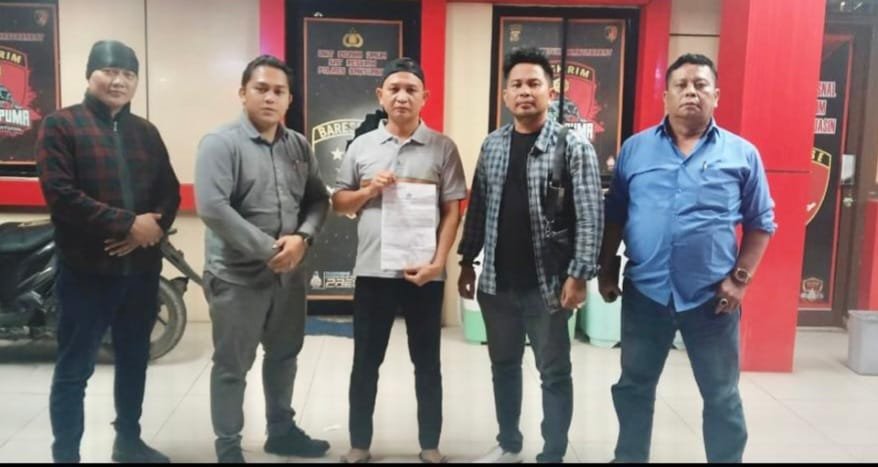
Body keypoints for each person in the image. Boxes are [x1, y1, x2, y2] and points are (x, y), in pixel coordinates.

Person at [598, 53, 776, 463]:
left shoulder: (742, 154)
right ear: (666, 96)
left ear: (717, 95)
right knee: (633, 387)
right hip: (646, 293)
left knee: (721, 394)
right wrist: (607, 269)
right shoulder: (635, 150)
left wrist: (740, 280)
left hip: (712, 298)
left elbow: (761, 223)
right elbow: (616, 215)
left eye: (700, 85)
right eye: (681, 85)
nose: (691, 92)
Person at [36, 39, 180, 463]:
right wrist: (126, 223)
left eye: (128, 74)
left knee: (134, 359)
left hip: (141, 272)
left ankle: (128, 441)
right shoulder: (61, 125)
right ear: (90, 75)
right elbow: (61, 194)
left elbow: (169, 191)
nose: (119, 81)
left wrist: (150, 228)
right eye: (110, 71)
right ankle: (66, 454)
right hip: (86, 272)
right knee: (74, 369)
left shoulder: (146, 132)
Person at [457, 47, 604, 463]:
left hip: (549, 285)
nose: (525, 91)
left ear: (550, 92)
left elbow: (590, 216)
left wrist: (579, 276)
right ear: (505, 95)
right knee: (503, 367)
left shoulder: (573, 146)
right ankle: (509, 445)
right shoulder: (493, 145)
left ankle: (552, 453)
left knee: (553, 373)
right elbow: (478, 208)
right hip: (497, 283)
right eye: (517, 85)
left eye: (534, 84)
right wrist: (467, 262)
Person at [194, 55, 330, 463]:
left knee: (284, 355)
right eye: (261, 89)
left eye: (279, 91)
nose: (270, 97)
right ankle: (228, 447)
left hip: (289, 277)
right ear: (243, 93)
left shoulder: (298, 145)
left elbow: (318, 199)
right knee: (232, 366)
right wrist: (272, 250)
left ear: (289, 99)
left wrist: (303, 238)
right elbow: (213, 208)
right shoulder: (220, 143)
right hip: (237, 278)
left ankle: (281, 432)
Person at [332, 57, 467, 464]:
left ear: (425, 97)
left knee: (427, 363)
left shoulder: (443, 147)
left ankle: (430, 445)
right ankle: (359, 444)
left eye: (411, 90)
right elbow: (340, 203)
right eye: (394, 89)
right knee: (365, 362)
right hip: (373, 272)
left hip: (424, 274)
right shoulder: (362, 147)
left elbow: (452, 211)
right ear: (381, 95)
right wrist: (368, 190)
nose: (402, 97)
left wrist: (438, 263)